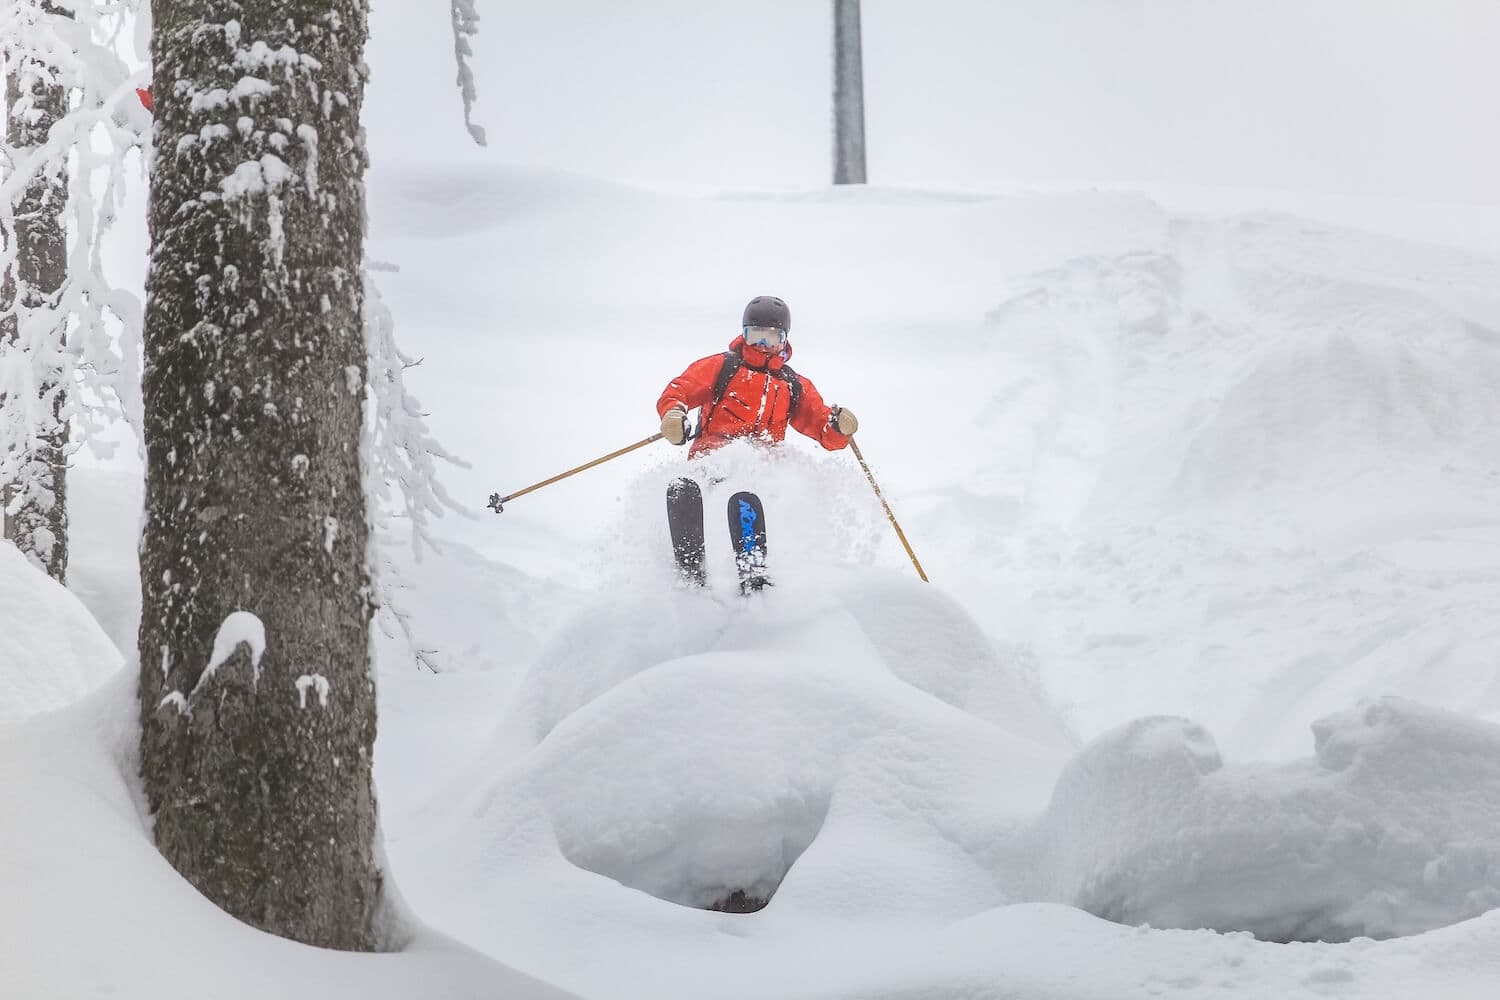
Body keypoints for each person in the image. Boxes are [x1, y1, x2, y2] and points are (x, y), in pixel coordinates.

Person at [656, 295, 858, 456]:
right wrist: (673, 414)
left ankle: (758, 505)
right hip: (713, 458)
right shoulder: (724, 366)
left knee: (777, 472)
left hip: (764, 468)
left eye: (770, 337)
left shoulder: (793, 384)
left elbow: (820, 425)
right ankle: (695, 497)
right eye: (754, 335)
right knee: (727, 466)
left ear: (783, 339)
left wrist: (838, 427)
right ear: (744, 334)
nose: (761, 344)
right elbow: (681, 389)